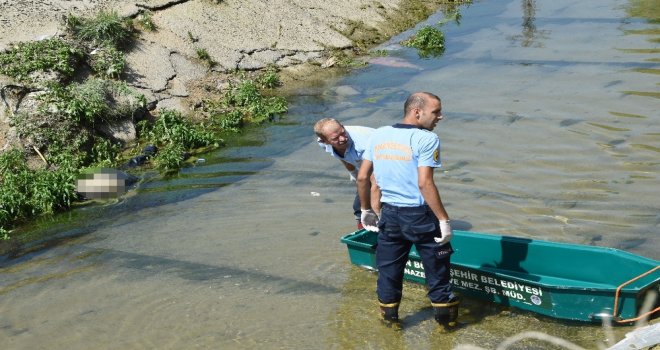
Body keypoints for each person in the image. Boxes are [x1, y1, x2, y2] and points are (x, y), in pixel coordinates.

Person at [356, 92, 459, 329]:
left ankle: (390, 324)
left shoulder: (379, 134)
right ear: (417, 112)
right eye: (435, 112)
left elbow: (363, 177)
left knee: (389, 272)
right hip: (419, 215)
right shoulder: (426, 139)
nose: (440, 117)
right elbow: (425, 183)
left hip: (389, 215)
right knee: (438, 272)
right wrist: (444, 220)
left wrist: (366, 210)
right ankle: (447, 329)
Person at [314, 118, 380, 229]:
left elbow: (375, 180)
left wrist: (371, 210)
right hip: (369, 168)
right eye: (335, 138)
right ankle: (365, 233)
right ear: (324, 140)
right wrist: (353, 172)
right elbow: (343, 156)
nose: (343, 139)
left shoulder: (363, 144)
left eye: (343, 133)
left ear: (343, 126)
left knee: (371, 205)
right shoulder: (323, 143)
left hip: (394, 162)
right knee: (359, 208)